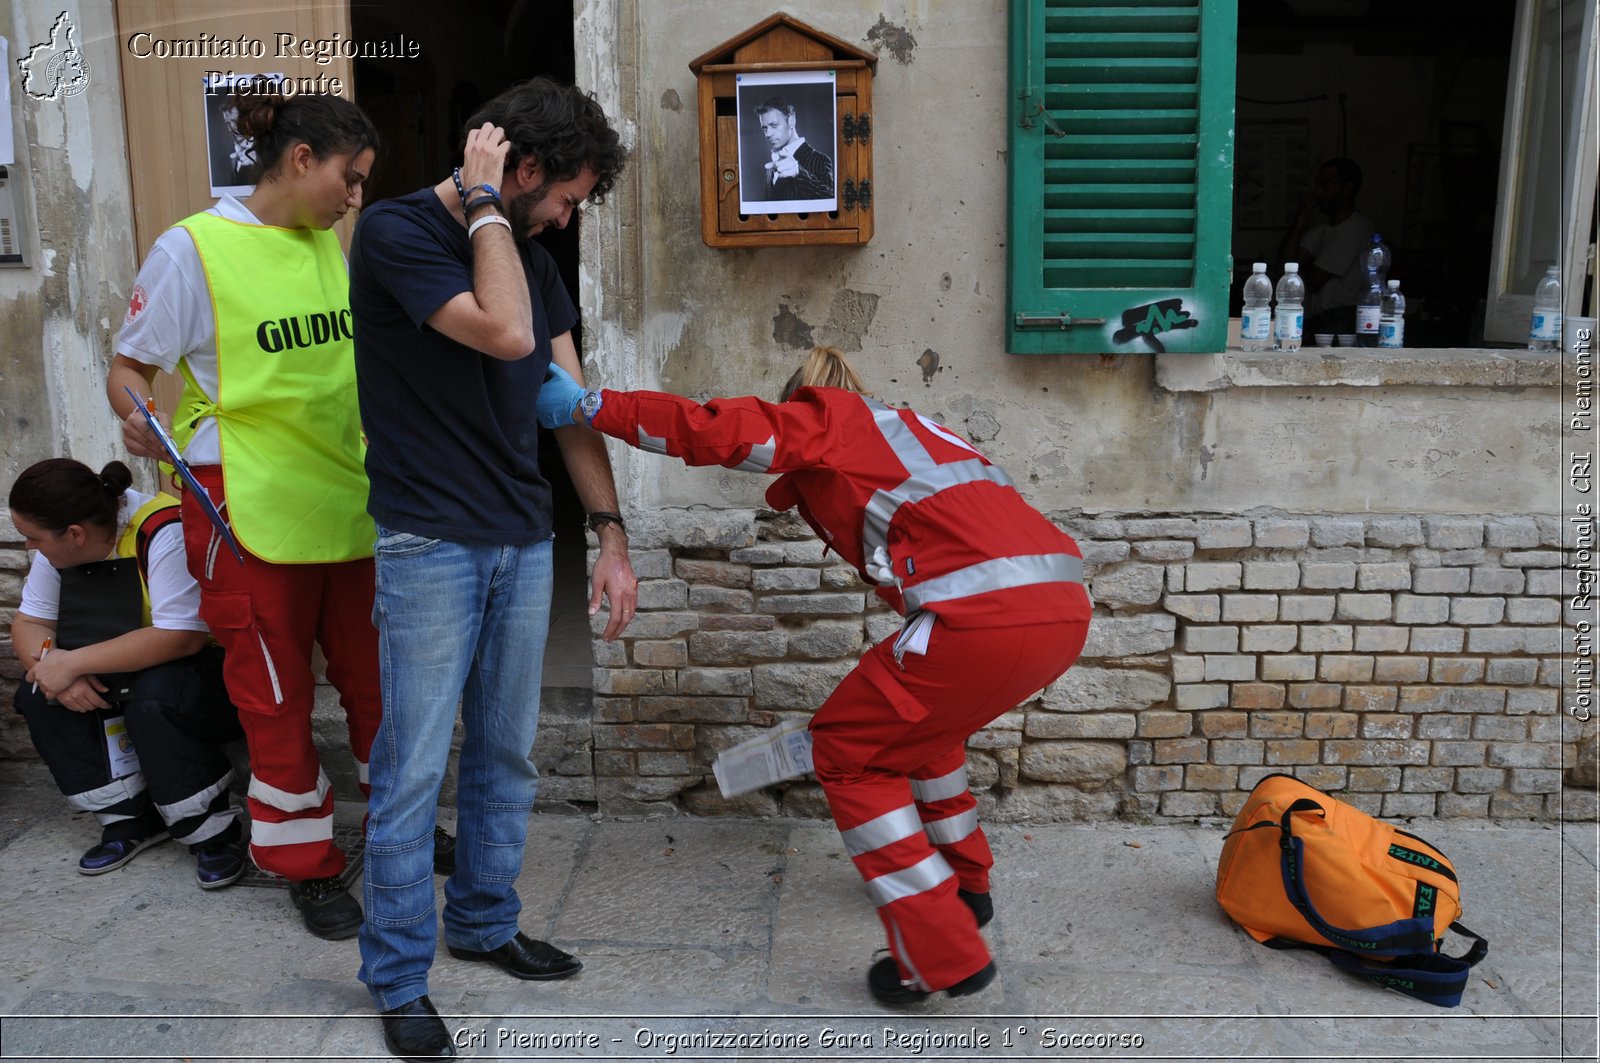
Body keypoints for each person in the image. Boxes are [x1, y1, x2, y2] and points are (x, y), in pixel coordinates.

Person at [539, 347, 1093, 1006]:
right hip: (1061, 607)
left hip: (986, 615)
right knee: (923, 733)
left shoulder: (828, 418)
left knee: (848, 755)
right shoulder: (920, 436)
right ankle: (967, 885)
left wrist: (592, 406)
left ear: (804, 399)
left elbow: (714, 429)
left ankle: (943, 951)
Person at [347, 77, 638, 1060]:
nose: (565, 218)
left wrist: (607, 532)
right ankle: (395, 975)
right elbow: (505, 331)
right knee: (412, 768)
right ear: (514, 170)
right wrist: (480, 210)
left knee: (506, 751)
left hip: (519, 537)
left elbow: (566, 399)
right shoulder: (393, 234)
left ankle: (481, 921)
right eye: (562, 197)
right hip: (428, 541)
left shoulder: (535, 257)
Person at [106, 85, 387, 941]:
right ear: (302, 160)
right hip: (242, 505)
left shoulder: (326, 242)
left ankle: (402, 826)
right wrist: (137, 421)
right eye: (350, 176)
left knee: (379, 677)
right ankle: (304, 862)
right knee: (274, 693)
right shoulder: (191, 249)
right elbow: (130, 369)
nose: (356, 197)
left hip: (345, 494)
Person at [9, 458, 245, 888]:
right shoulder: (59, 544)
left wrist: (72, 663)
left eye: (32, 538)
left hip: (200, 677)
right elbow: (29, 624)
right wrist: (52, 669)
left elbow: (181, 637)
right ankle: (131, 818)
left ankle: (211, 831)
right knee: (36, 692)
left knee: (155, 698)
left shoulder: (161, 530)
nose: (30, 548)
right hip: (110, 674)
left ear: (76, 534)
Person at [1276, 157, 1374, 334]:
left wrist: (1304, 265)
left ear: (1347, 189)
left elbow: (1316, 279)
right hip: (1318, 318)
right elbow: (1286, 267)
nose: (1318, 193)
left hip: (1341, 319)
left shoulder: (1355, 228)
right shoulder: (1321, 230)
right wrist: (1301, 218)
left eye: (1325, 186)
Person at [755, 96, 834, 200]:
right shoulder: (771, 166)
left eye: (774, 125)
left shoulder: (820, 160)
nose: (768, 134)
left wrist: (799, 173)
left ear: (791, 121)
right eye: (765, 128)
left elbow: (830, 199)